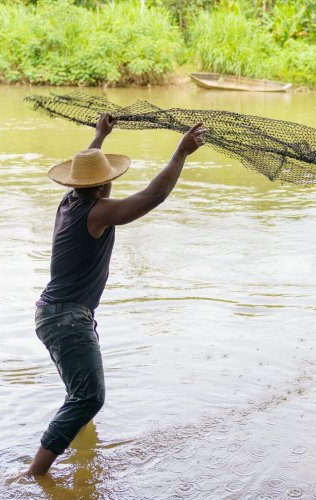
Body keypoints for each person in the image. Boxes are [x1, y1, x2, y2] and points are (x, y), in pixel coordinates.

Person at [28, 114, 206, 475]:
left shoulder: (68, 203)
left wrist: (99, 136)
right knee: (89, 398)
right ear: (103, 186)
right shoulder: (97, 214)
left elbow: (88, 172)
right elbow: (153, 195)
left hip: (53, 313)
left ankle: (80, 450)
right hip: (67, 317)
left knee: (79, 396)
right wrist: (181, 153)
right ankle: (34, 474)